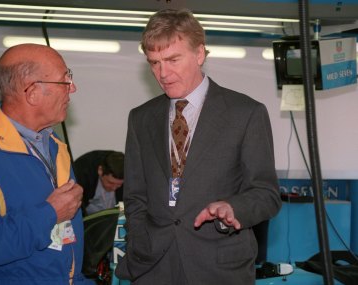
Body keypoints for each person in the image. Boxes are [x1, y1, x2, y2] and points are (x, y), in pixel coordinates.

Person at [114, 9, 282, 285]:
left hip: (218, 267)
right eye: (154, 63)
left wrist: (233, 208)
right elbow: (135, 195)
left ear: (200, 54)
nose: (163, 73)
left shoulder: (245, 113)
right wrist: (141, 240)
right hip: (153, 266)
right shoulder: (141, 117)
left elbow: (266, 194)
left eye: (172, 60)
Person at [0, 43, 94, 285]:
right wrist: (50, 213)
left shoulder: (51, 143)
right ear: (32, 92)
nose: (72, 88)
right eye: (65, 80)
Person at [73, 150, 124, 216]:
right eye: (110, 183)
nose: (114, 188)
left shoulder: (133, 176)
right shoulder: (81, 173)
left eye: (119, 184)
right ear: (100, 170)